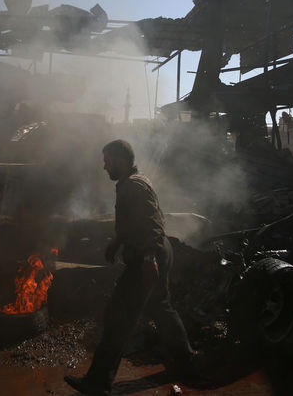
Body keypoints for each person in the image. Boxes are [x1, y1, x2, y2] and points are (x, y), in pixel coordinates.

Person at [64, 139, 194, 396]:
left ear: (119, 161)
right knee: (162, 307)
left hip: (150, 255)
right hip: (156, 251)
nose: (104, 167)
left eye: (107, 161)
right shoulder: (132, 182)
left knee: (118, 317)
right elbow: (133, 221)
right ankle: (187, 363)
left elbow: (152, 225)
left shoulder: (133, 187)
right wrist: (117, 241)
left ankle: (97, 384)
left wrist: (148, 260)